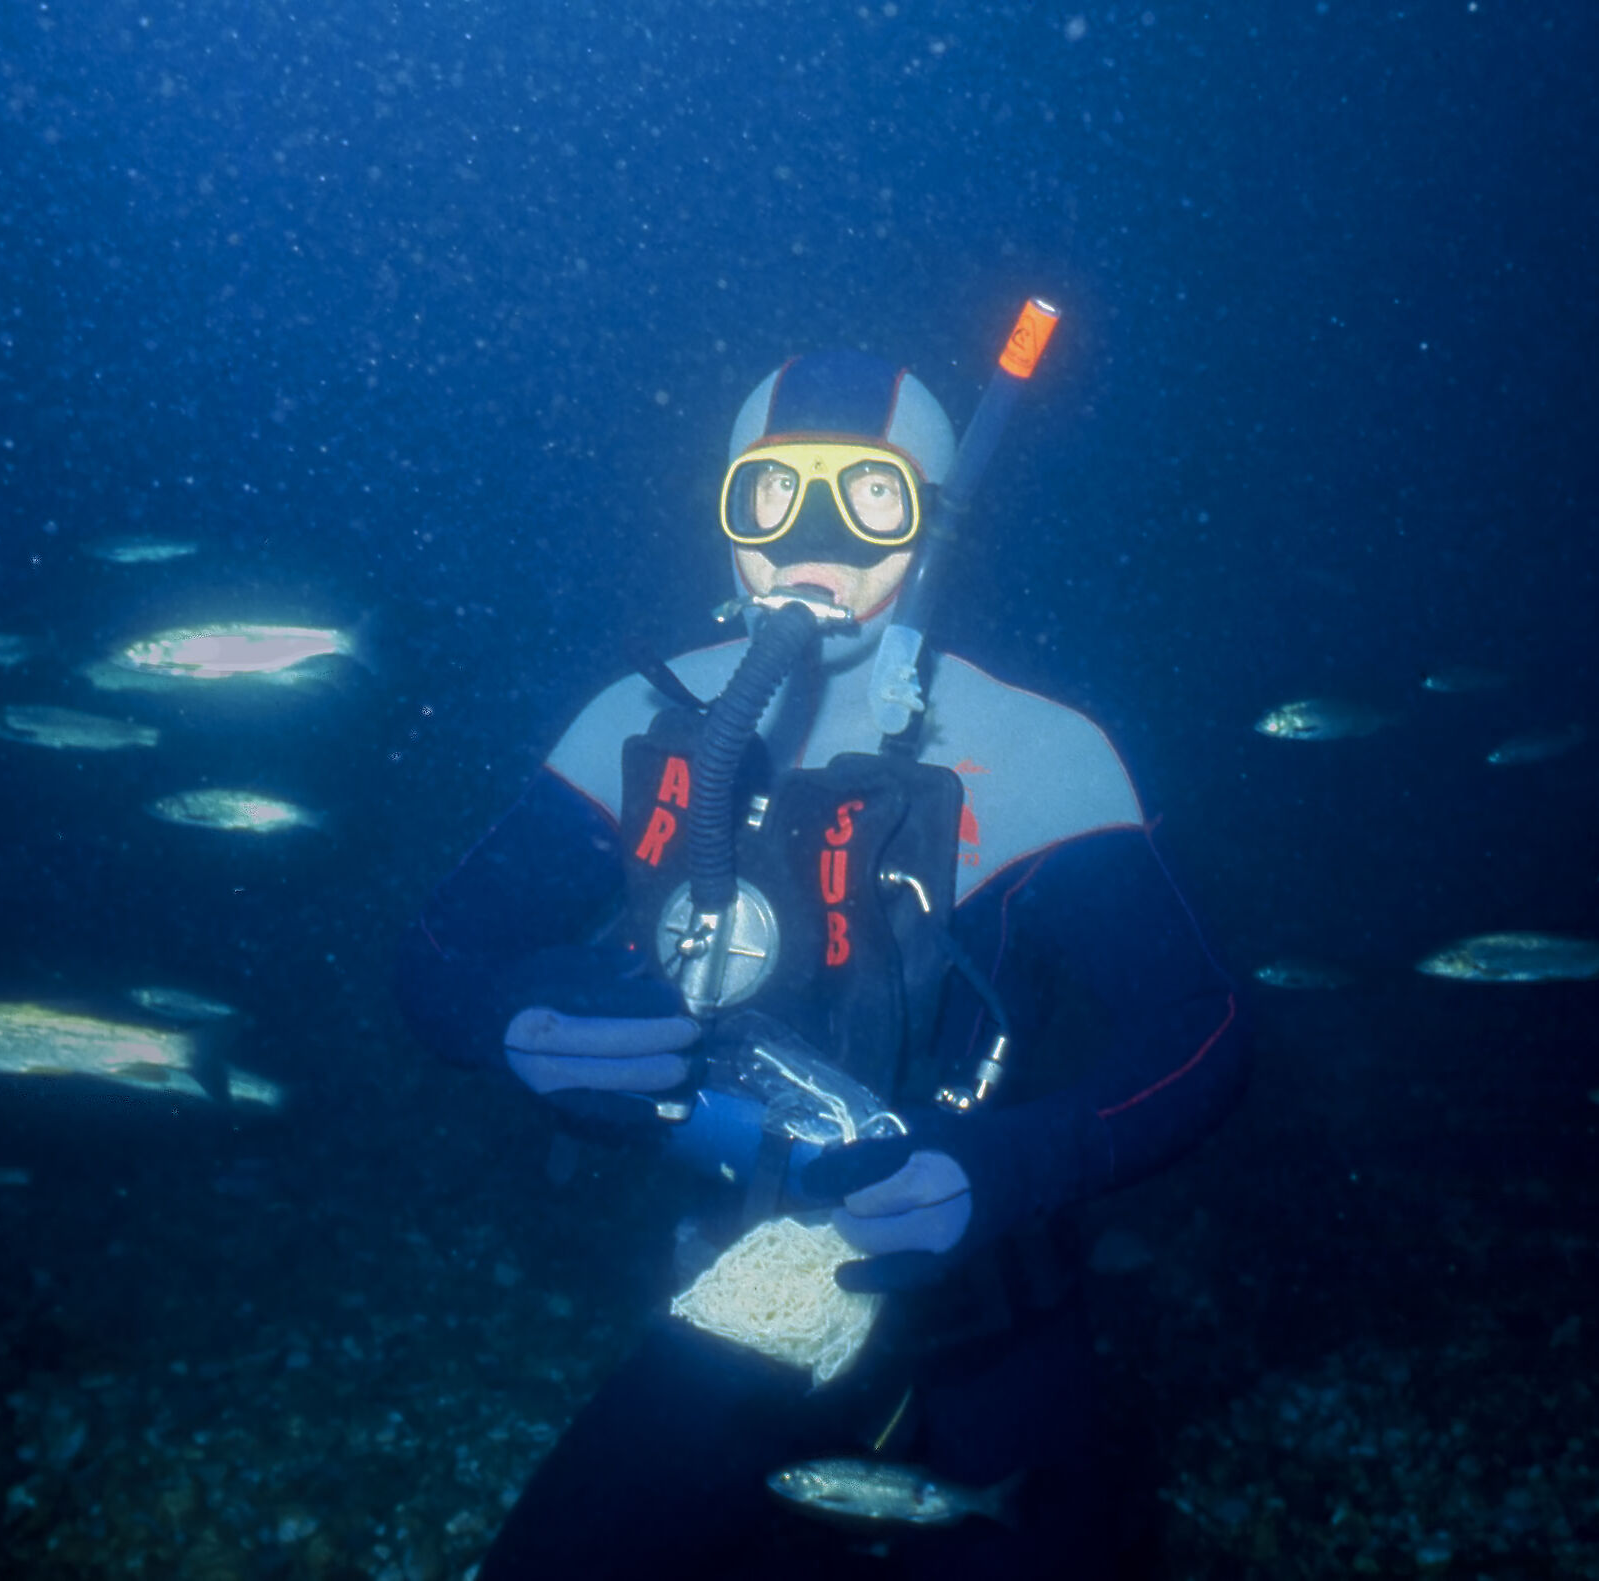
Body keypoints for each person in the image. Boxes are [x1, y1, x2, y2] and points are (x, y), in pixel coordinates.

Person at [395, 347, 1246, 1579]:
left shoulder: (1039, 755)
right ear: (725, 509)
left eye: (871, 499)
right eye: (773, 495)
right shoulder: (633, 723)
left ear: (933, 524)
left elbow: (1205, 1027)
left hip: (989, 1308)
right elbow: (436, 952)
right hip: (746, 1293)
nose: (818, 540)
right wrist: (503, 1019)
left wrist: (1011, 1165)